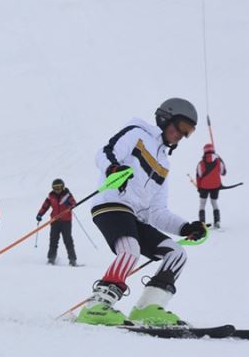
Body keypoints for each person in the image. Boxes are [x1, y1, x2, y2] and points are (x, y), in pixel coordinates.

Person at [75, 98, 207, 326]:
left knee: (175, 254)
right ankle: (97, 306)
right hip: (110, 204)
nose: (182, 135)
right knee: (130, 250)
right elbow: (105, 152)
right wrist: (113, 168)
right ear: (166, 118)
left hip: (135, 217)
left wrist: (185, 228)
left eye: (189, 132)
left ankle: (147, 309)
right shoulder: (138, 133)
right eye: (181, 127)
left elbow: (157, 212)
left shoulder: (164, 165)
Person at [36, 178, 78, 266]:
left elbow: (74, 203)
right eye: (55, 188)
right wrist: (40, 214)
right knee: (53, 240)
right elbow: (45, 206)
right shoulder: (51, 196)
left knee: (68, 240)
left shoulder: (67, 195)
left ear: (62, 187)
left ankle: (72, 260)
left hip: (66, 221)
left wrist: (70, 205)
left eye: (59, 188)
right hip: (55, 221)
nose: (57, 190)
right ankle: (51, 259)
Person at [196, 143, 227, 229]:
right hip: (215, 186)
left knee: (202, 204)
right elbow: (223, 172)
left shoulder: (201, 163)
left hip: (204, 187)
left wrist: (199, 188)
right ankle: (217, 221)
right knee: (214, 203)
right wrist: (220, 159)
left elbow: (199, 175)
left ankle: (202, 224)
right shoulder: (218, 161)